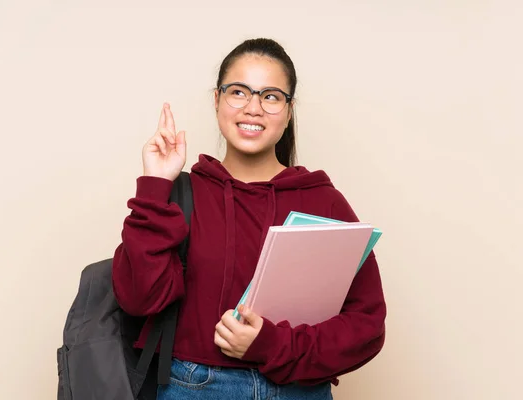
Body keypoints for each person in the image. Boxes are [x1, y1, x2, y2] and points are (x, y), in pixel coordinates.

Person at [112, 38, 386, 400]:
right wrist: (155, 184)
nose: (253, 108)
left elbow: (366, 325)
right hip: (192, 388)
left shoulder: (324, 201)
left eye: (271, 96)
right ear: (217, 100)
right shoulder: (180, 194)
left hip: (298, 392)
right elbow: (140, 299)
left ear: (288, 112)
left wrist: (272, 345)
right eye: (239, 92)